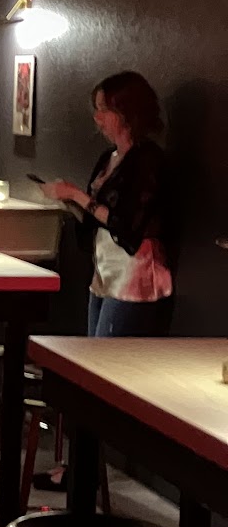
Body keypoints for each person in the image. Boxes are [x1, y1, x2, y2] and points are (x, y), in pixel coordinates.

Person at [42, 71, 174, 336]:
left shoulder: (148, 160)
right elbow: (96, 218)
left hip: (133, 273)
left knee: (107, 353)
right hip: (105, 268)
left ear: (126, 112)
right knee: (93, 351)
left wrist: (77, 195)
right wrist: (68, 200)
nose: (97, 118)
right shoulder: (109, 157)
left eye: (103, 109)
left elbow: (126, 225)